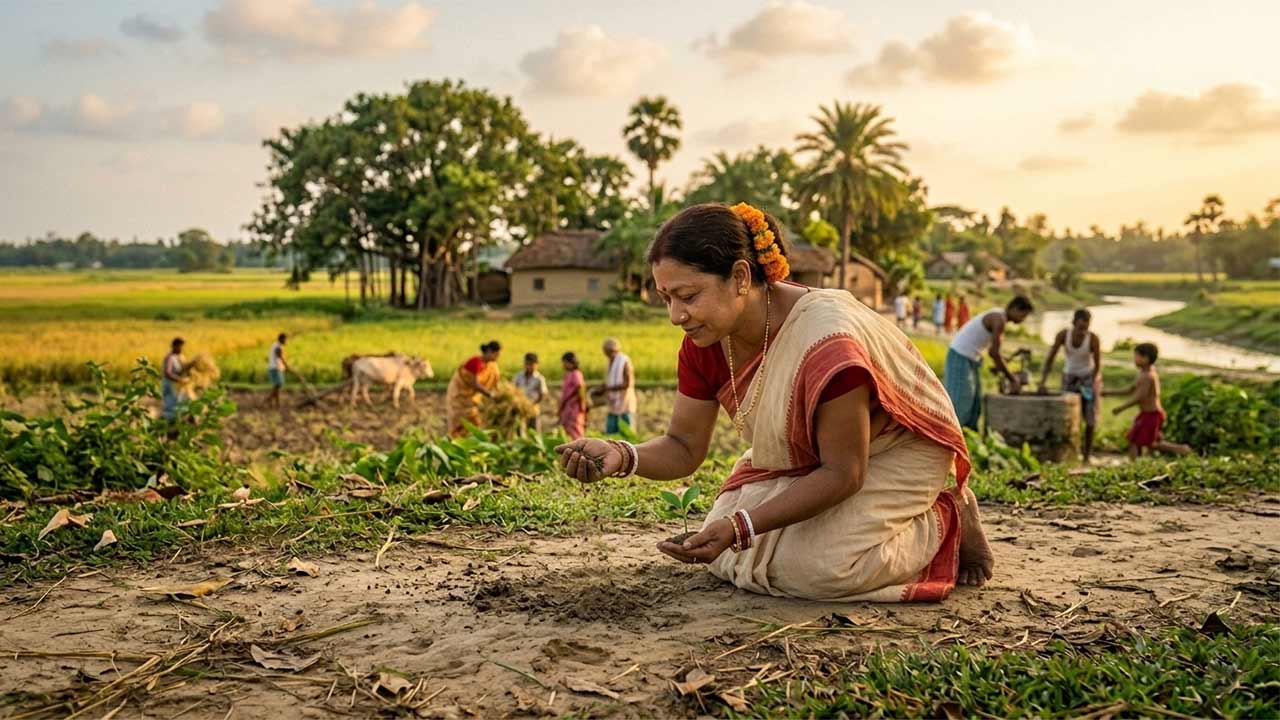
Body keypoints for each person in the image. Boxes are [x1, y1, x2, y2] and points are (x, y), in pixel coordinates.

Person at [556, 202, 993, 601]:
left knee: (816, 569)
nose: (676, 316)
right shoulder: (704, 341)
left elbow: (846, 472)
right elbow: (684, 446)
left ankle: (945, 518)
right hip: (814, 459)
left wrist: (742, 526)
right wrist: (620, 455)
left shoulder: (826, 340)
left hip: (892, 453)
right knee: (731, 558)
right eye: (667, 298)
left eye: (688, 296)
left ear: (741, 277)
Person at [944, 296, 1034, 429]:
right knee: (961, 404)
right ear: (1015, 308)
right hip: (960, 357)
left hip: (971, 359)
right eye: (1023, 315)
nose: (1022, 320)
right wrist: (1012, 379)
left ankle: (968, 441)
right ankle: (948, 439)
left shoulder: (999, 316)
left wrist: (1003, 364)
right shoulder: (999, 319)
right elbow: (994, 353)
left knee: (975, 407)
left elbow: (995, 352)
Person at [1105, 343, 1192, 458]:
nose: (1134, 359)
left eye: (1136, 356)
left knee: (1138, 441)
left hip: (1151, 415)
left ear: (1145, 358)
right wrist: (1109, 392)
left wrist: (1121, 408)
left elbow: (1139, 397)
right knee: (1144, 441)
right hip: (1148, 414)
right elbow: (1130, 390)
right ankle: (1178, 450)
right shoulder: (1144, 373)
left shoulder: (1148, 376)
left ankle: (1182, 449)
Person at [1038, 310, 1102, 462]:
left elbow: (1098, 364)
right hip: (1069, 377)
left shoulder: (1092, 339)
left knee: (1090, 418)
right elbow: (1051, 358)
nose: (1082, 332)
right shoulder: (1063, 335)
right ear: (1073, 323)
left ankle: (1087, 455)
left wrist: (1092, 383)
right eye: (1080, 328)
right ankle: (1071, 453)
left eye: (1085, 328)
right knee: (1069, 417)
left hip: (1086, 377)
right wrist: (1043, 381)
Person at [445, 341, 502, 437]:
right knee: (458, 426)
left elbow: (495, 381)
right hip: (460, 400)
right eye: (496, 355)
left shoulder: (492, 366)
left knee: (476, 425)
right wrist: (489, 395)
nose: (497, 357)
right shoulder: (475, 362)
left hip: (472, 402)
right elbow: (474, 384)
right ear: (489, 352)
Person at [600, 338, 637, 434]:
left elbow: (627, 383)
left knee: (627, 431)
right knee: (611, 432)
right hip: (613, 401)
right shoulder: (610, 362)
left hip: (625, 400)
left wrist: (609, 388)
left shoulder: (624, 361)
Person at [512, 352, 549, 432]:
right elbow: (513, 390)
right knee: (519, 430)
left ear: (536, 364)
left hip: (533, 409)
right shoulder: (518, 376)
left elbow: (543, 394)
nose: (529, 366)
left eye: (531, 364)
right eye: (527, 364)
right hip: (520, 408)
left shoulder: (539, 378)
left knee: (534, 430)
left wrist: (532, 404)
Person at [558, 352, 589, 440]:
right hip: (568, 406)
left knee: (575, 429)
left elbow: (580, 389)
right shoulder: (568, 374)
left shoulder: (576, 374)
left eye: (565, 363)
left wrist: (582, 405)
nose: (563, 365)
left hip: (574, 407)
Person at [161, 337, 185, 420]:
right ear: (174, 346)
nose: (181, 348)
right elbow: (167, 373)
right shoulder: (170, 358)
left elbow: (180, 371)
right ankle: (168, 427)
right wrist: (179, 380)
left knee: (179, 406)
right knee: (170, 407)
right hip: (169, 385)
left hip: (176, 386)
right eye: (180, 346)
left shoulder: (179, 357)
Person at [267, 333, 288, 409]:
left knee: (277, 386)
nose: (286, 341)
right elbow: (281, 357)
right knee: (278, 384)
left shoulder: (274, 345)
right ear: (281, 339)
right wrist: (287, 366)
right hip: (275, 368)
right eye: (285, 339)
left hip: (275, 368)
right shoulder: (278, 347)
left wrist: (284, 367)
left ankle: (277, 403)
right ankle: (269, 399)